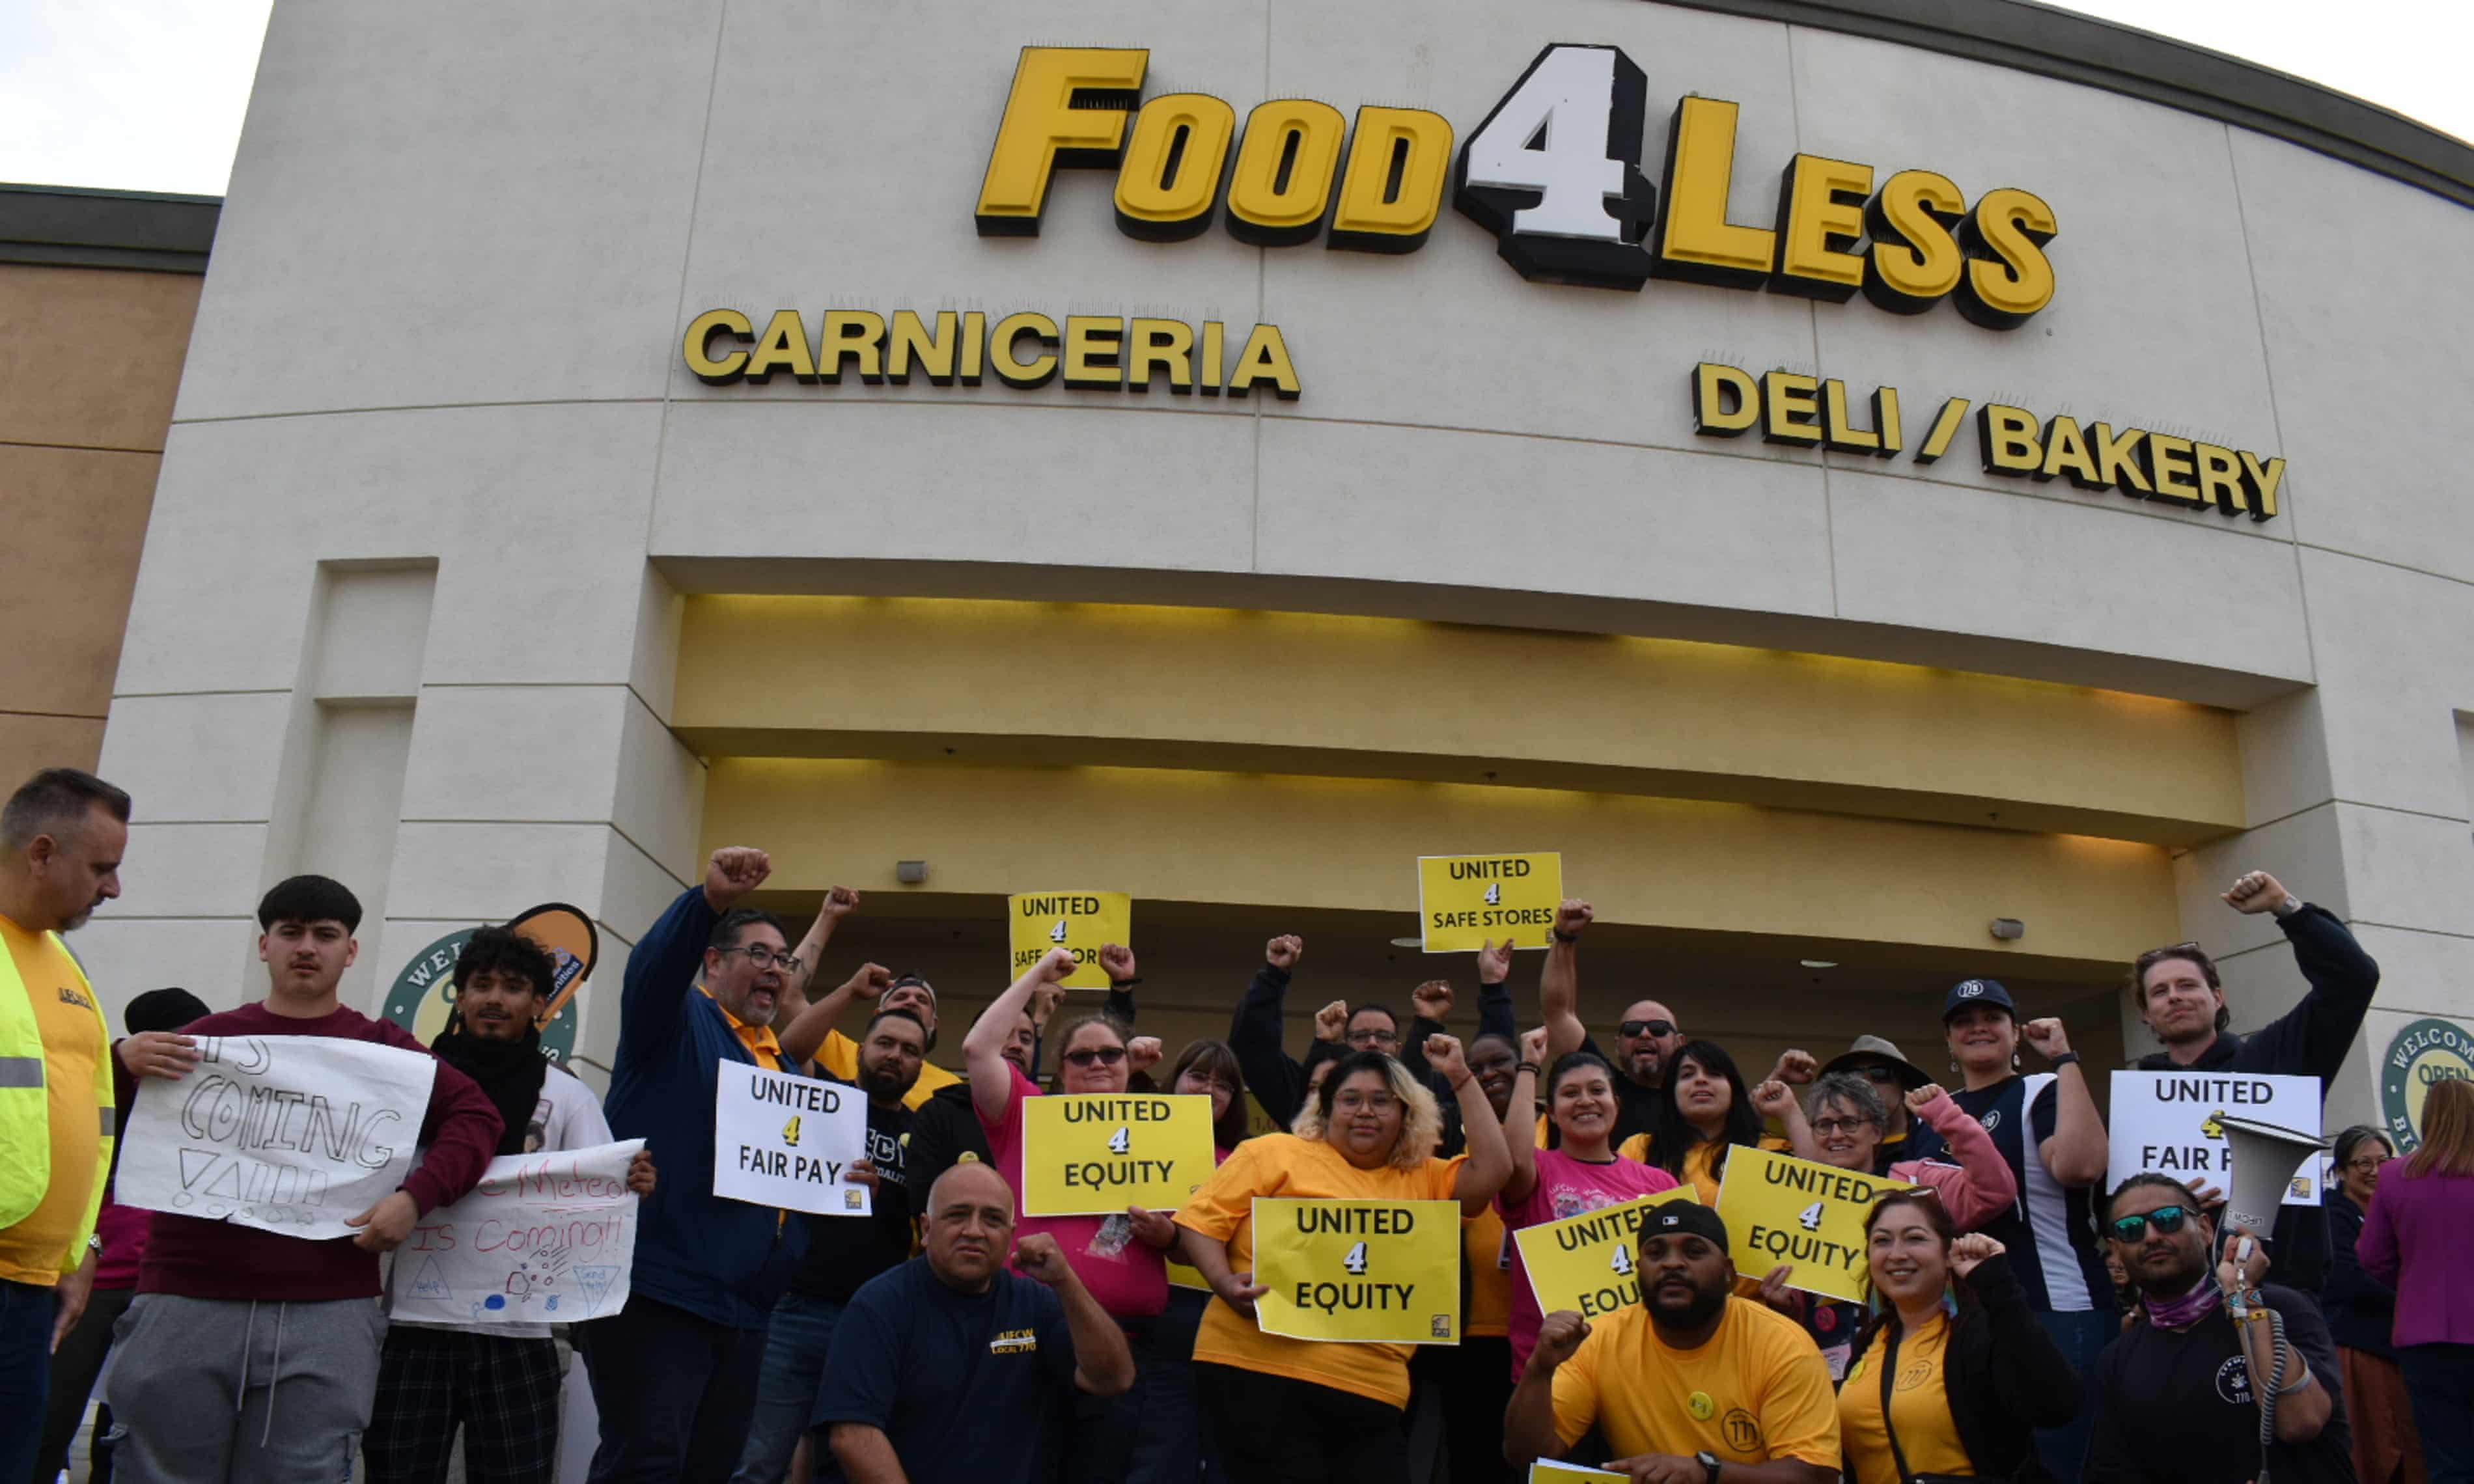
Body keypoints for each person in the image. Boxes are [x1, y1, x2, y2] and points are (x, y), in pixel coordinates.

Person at [104, 875, 505, 1483]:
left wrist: (415, 1198)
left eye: (325, 934)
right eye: (290, 932)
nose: (307, 948)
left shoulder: (384, 1050)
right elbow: (87, 1126)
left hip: (327, 1309)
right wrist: (118, 1067)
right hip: (185, 1297)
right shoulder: (203, 1043)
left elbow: (476, 1116)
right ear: (264, 945)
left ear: (351, 950)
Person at [365, 926, 656, 1484]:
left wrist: (633, 1179)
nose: (495, 998)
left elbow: (602, 1193)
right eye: (481, 984)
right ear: (460, 995)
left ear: (540, 1003)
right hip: (412, 1327)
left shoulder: (568, 1096)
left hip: (522, 1337)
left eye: (515, 987)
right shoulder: (409, 1086)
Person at [1174, 1037, 1511, 1484]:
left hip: (1372, 1388)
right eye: (1350, 1100)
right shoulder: (1273, 1152)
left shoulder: (1425, 1177)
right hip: (1255, 1372)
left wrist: (1461, 1077)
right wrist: (1222, 1281)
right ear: (1326, 1109)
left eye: (1382, 1102)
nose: (1365, 1111)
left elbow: (1495, 1170)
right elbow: (1200, 1224)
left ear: (1407, 1114)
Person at [584, 846, 814, 1483]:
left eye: (783, 961)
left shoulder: (785, 1069)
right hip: (661, 1293)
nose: (774, 969)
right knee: (648, 1463)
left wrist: (838, 1183)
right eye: (758, 955)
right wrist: (707, 902)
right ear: (712, 962)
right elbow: (652, 971)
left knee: (711, 1470)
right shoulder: (678, 1022)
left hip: (745, 1311)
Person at [966, 946, 1171, 1483]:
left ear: (1131, 1066)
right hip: (1025, 1333)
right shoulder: (1025, 1117)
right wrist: (1037, 976)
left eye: (1110, 1055)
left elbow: (1195, 1232)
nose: (1098, 1063)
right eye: (1082, 1057)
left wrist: (1170, 1236)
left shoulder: (1163, 1134)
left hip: (1127, 1345)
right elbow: (978, 1048)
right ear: (1060, 1070)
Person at [2131, 869, 2380, 1292]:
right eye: (2160, 991)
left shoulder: (2278, 1056)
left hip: (2284, 1288)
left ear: (2217, 997)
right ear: (2145, 1013)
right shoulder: (2135, 1102)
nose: (2174, 996)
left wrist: (2288, 910)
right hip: (2176, 1299)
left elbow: (2354, 980)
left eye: (2187, 985)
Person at [814, 1161, 1137, 1484]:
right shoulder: (880, 1306)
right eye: (958, 1215)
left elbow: (1114, 1379)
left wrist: (1067, 1283)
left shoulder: (1037, 1304)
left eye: (992, 1219)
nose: (974, 1231)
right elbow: (852, 1436)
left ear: (1011, 1236)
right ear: (926, 1230)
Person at [1503, 1203, 1841, 1484]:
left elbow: (1814, 1475)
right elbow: (1528, 1456)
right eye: (1655, 1252)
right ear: (1638, 1270)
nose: (1672, 1263)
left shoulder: (1783, 1343)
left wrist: (1705, 1472)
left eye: (1694, 1251)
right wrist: (1540, 1369)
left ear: (1729, 1274)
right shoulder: (1600, 1338)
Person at [733, 1005, 926, 1484]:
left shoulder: (926, 1133)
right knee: (759, 1462)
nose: (895, 1056)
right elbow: (789, 1052)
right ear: (861, 1051)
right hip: (797, 1308)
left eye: (910, 1051)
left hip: (877, 1322)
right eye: (885, 1043)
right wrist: (851, 992)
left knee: (847, 1468)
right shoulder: (828, 1099)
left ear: (921, 1067)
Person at [0, 767, 127, 1482]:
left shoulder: (63, 963)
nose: (112, 888)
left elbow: (84, 1118)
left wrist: (80, 1250)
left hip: (33, 1291)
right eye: (102, 868)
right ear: (42, 852)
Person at [33, 986, 207, 1484]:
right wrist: (118, 1064)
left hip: (164, 1281)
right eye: (170, 1042)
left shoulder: (205, 1101)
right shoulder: (113, 1084)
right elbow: (65, 1117)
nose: (181, 1055)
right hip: (97, 1276)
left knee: (131, 1429)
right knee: (53, 1414)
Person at [1941, 983, 2113, 1483]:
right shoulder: (1934, 1112)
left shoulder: (2042, 1089)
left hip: (2055, 1307)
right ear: (1950, 1042)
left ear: (2015, 1032)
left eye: (1992, 1016)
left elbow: (2080, 1167)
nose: (1977, 1027)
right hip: (1966, 1319)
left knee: (2062, 1465)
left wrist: (2064, 1058)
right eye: (1963, 1020)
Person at [2087, 1174, 2349, 1484]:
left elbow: (2300, 1422)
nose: (2152, 1236)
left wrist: (2243, 1296)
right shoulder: (2119, 1360)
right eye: (2131, 1229)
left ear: (2205, 1229)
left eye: (2168, 1220)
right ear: (2116, 1251)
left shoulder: (2282, 1307)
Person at [1750, 1071, 2015, 1377]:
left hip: (1921, 1361)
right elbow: (1796, 1298)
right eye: (1824, 1125)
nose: (1836, 1135)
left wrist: (1947, 1119)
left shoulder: (1915, 1181)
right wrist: (1783, 1305)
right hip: (1826, 1363)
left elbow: (1995, 1191)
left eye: (1849, 1123)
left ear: (1877, 1132)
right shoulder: (1796, 1197)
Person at [1838, 1196, 2081, 1484]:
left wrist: (1999, 1286)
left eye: (1915, 1238)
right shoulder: (1868, 1343)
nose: (1897, 1254)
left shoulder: (1980, 1331)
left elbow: (2056, 1406)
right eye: (1882, 1241)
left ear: (1947, 1253)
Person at [1497, 1029, 1680, 1377]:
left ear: (1617, 1104)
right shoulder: (1537, 1170)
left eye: (1597, 1090)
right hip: (1554, 1369)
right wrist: (1527, 1067)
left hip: (1640, 1368)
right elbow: (1513, 1160)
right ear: (1550, 1112)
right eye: (1570, 1093)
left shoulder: (1660, 1184)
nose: (1585, 1101)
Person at [1230, 934, 1507, 1149]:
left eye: (1384, 1036)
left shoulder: (1433, 1096)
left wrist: (1493, 987)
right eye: (1360, 1036)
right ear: (1343, 1043)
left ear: (1398, 1050)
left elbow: (1493, 1068)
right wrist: (1274, 977)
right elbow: (1253, 1052)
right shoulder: (1309, 1096)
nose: (1372, 1043)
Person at [1130, 1036, 1249, 1484]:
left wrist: (1171, 1238)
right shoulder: (1133, 1140)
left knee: (1224, 1453)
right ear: (1173, 1080)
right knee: (1159, 1453)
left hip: (1226, 1319)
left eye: (1224, 1085)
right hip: (1153, 1321)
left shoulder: (1245, 1159)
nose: (1208, 1090)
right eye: (1198, 1076)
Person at [2359, 1079, 2474, 1484]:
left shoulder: (2393, 1176)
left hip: (2424, 1336)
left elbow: (2372, 1258)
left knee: (2447, 1460)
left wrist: (2414, 1283)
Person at [773, 885, 962, 1111]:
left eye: (922, 1000)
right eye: (900, 996)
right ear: (878, 1015)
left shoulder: (949, 1087)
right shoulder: (840, 1050)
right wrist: (828, 917)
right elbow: (788, 994)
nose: (911, 1001)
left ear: (934, 1025)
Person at [2324, 1125, 2421, 1484]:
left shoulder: (2398, 1209)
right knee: (2377, 1453)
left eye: (2383, 1161)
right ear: (2342, 1172)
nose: (2375, 1171)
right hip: (2361, 1350)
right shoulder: (2335, 1215)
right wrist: (2410, 1300)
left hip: (2404, 1346)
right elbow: (2348, 1279)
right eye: (2362, 1164)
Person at [1624, 1040, 1788, 1203]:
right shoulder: (1639, 1148)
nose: (1701, 1080)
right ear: (1671, 1093)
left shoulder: (1770, 1150)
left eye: (1714, 1073)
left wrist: (1789, 1110)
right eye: (1687, 1075)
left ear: (1734, 1089)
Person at [1814, 1036, 1947, 1171]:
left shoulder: (1934, 1140)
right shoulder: (1828, 1143)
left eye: (1880, 1073)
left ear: (1906, 1086)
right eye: (1852, 1076)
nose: (1864, 1083)